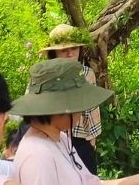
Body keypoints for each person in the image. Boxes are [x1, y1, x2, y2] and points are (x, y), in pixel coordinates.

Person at [41, 24, 103, 174]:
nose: (70, 54)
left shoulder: (87, 74)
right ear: (54, 52)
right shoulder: (42, 74)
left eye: (74, 49)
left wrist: (91, 141)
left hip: (79, 139)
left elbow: (92, 108)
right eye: (64, 50)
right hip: (49, 138)